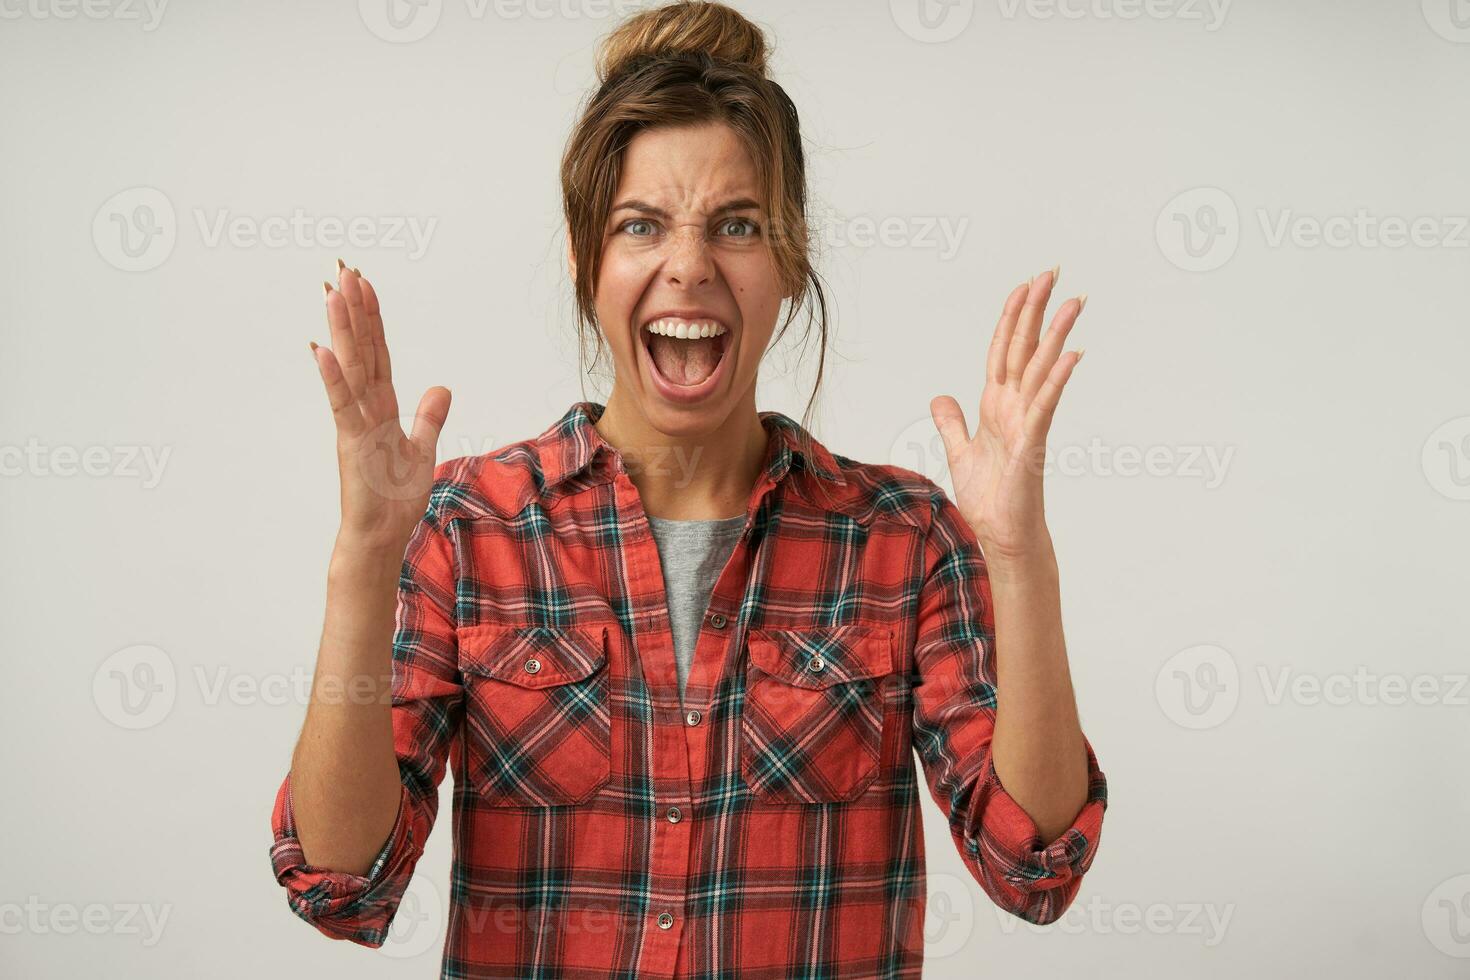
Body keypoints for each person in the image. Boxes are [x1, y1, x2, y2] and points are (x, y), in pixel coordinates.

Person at [268, 2, 1107, 975]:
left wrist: (1018, 556)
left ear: (789, 263)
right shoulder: (469, 528)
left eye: (737, 225)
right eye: (642, 225)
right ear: (588, 264)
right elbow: (341, 878)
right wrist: (364, 564)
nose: (690, 266)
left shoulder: (903, 539)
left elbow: (1034, 862)